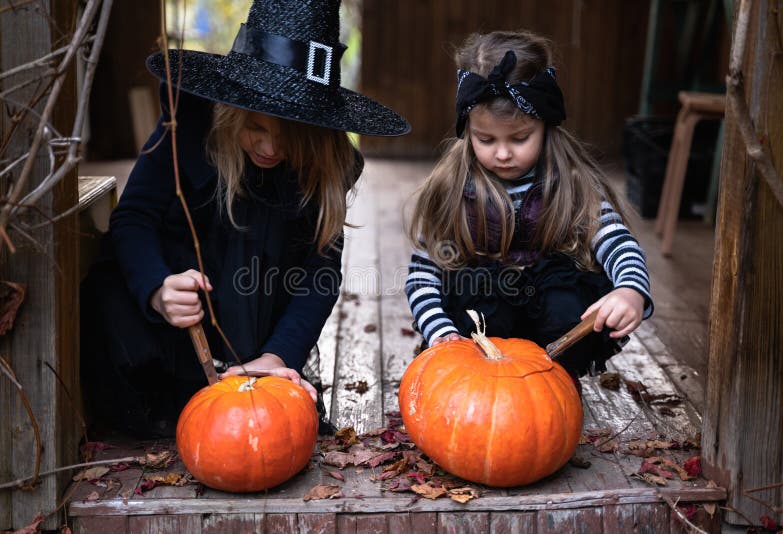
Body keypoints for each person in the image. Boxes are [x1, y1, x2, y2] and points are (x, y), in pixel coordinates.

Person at [81, 0, 410, 438]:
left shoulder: (325, 164)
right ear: (234, 110)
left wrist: (280, 355)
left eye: (289, 136)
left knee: (265, 430)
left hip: (258, 328)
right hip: (168, 334)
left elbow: (320, 273)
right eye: (256, 128)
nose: (270, 148)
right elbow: (133, 218)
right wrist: (157, 288)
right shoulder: (188, 127)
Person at [404, 30, 653, 381]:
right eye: (485, 139)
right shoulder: (453, 190)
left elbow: (617, 241)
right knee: (477, 296)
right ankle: (488, 383)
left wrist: (631, 289)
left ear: (546, 125)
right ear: (467, 130)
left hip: (553, 331)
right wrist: (439, 331)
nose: (503, 153)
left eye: (520, 138)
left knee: (567, 300)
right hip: (483, 339)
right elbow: (422, 274)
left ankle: (554, 386)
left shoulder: (570, 185)